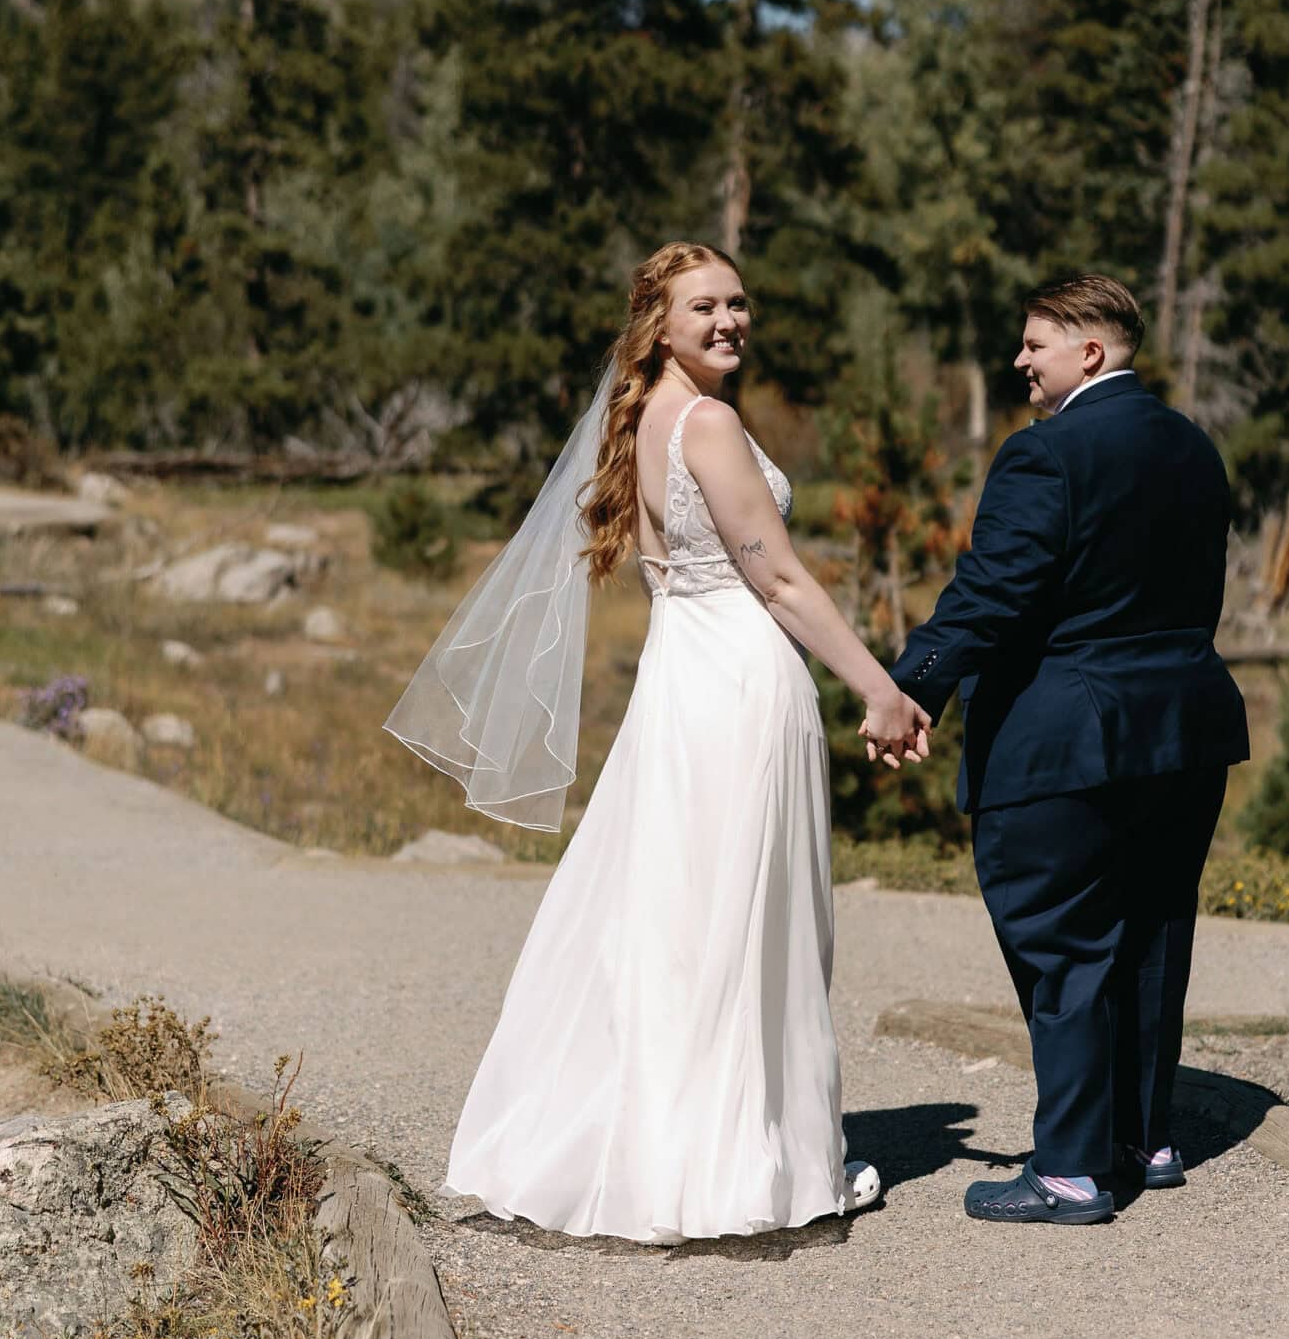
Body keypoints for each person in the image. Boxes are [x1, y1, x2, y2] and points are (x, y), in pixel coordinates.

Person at [385, 241, 931, 1244]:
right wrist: (881, 689)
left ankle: (675, 1151)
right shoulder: (709, 423)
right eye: (704, 307)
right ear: (660, 323)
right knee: (738, 913)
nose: (730, 321)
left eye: (738, 302)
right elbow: (779, 581)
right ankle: (742, 1158)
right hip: (733, 681)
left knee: (684, 916)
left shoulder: (646, 420)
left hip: (684, 682)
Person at [890, 274, 1249, 1224]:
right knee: (1152, 932)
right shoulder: (1194, 446)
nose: (1020, 359)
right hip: (1183, 726)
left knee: (1062, 945)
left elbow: (993, 593)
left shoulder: (1043, 456)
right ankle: (1145, 1139)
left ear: (1090, 352)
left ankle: (1073, 1172)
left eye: (1035, 343)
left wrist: (908, 685)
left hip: (1067, 736)